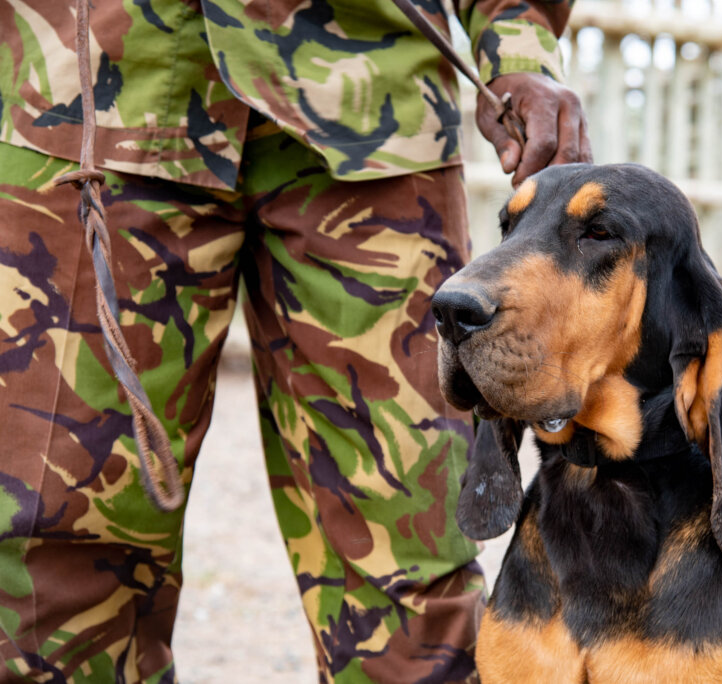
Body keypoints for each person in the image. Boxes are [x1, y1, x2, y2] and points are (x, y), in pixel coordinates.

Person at [0, 1, 590, 681]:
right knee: (54, 570)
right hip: (91, 95)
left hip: (372, 104)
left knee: (413, 578)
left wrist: (517, 49)